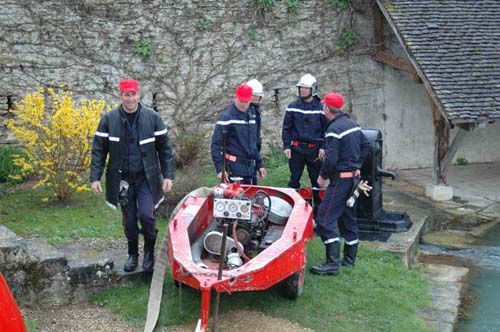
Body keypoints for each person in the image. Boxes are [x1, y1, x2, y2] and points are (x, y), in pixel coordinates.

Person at [90, 79, 175, 273]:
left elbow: (165, 149)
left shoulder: (152, 117)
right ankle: (132, 255)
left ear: (139, 95)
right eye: (126, 95)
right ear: (120, 96)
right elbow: (98, 151)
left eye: (133, 94)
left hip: (146, 178)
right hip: (123, 181)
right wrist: (95, 177)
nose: (130, 98)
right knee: (128, 221)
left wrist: (168, 175)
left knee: (146, 216)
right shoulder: (109, 119)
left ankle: (148, 253)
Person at [310, 92, 370, 276]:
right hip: (353, 179)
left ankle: (332, 264)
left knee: (324, 217)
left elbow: (331, 159)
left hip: (341, 180)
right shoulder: (353, 125)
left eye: (323, 106)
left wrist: (322, 177)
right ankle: (349, 261)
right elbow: (367, 146)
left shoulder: (333, 130)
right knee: (347, 218)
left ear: (327, 108)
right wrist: (356, 166)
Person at [282, 74, 327, 218]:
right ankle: (291, 210)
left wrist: (323, 147)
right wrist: (286, 146)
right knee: (294, 178)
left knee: (316, 181)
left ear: (313, 89)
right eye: (300, 88)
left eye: (305, 88)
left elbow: (327, 129)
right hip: (296, 149)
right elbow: (286, 128)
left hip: (315, 150)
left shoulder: (321, 107)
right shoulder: (292, 107)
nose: (302, 90)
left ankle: (318, 214)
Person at [211, 84, 266, 185]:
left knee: (252, 197)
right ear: (235, 98)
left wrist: (259, 164)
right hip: (234, 168)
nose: (243, 105)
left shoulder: (251, 116)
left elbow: (253, 143)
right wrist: (220, 169)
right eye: (241, 101)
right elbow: (215, 145)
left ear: (250, 100)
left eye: (246, 102)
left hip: (251, 168)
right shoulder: (226, 118)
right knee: (236, 199)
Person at [246, 79, 264, 155]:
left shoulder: (256, 110)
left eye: (258, 96)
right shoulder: (245, 111)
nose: (256, 98)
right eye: (254, 95)